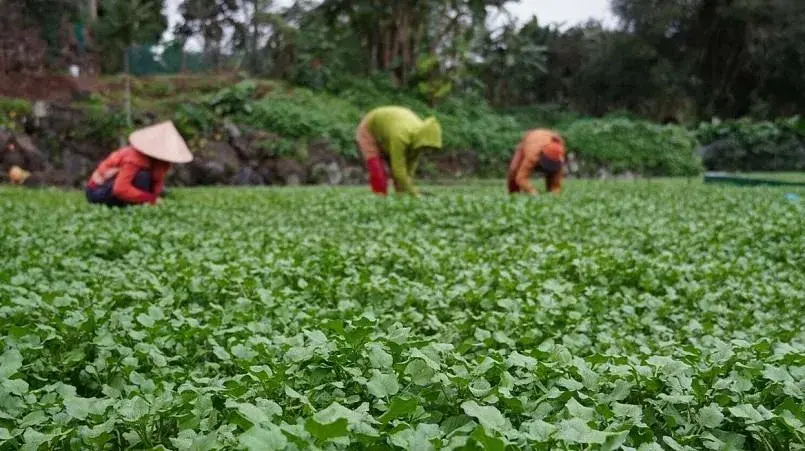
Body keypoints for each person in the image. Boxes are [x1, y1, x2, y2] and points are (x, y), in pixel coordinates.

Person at [85, 121, 192, 206]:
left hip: (112, 188)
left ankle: (137, 201)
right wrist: (151, 200)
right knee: (142, 177)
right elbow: (120, 189)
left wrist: (155, 196)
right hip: (97, 191)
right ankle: (134, 203)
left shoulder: (161, 162)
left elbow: (157, 182)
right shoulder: (135, 158)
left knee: (148, 182)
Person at [355, 106, 442, 196]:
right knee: (378, 172)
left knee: (402, 183)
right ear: (422, 140)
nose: (427, 151)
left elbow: (410, 168)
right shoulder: (400, 136)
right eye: (426, 147)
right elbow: (398, 169)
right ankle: (379, 198)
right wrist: (413, 193)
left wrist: (409, 187)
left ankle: (401, 196)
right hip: (370, 129)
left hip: (389, 132)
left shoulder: (418, 140)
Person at [507, 129, 566, 195]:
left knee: (553, 176)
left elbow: (557, 184)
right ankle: (514, 194)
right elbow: (521, 178)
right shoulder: (532, 155)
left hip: (547, 138)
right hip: (530, 140)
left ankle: (550, 191)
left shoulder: (560, 155)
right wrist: (532, 191)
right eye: (548, 163)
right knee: (514, 169)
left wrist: (554, 193)